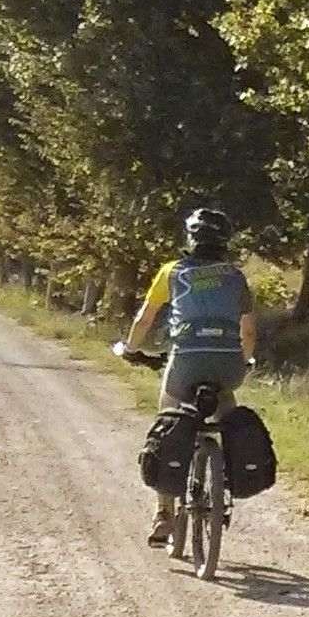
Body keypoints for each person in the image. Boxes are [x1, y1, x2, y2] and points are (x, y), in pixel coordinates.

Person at [114, 206, 258, 547]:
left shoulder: (173, 271)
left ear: (190, 238)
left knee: (168, 421)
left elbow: (145, 320)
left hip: (186, 361)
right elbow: (248, 331)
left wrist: (130, 347)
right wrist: (246, 359)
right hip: (227, 363)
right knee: (226, 411)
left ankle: (163, 515)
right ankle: (224, 479)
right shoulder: (236, 277)